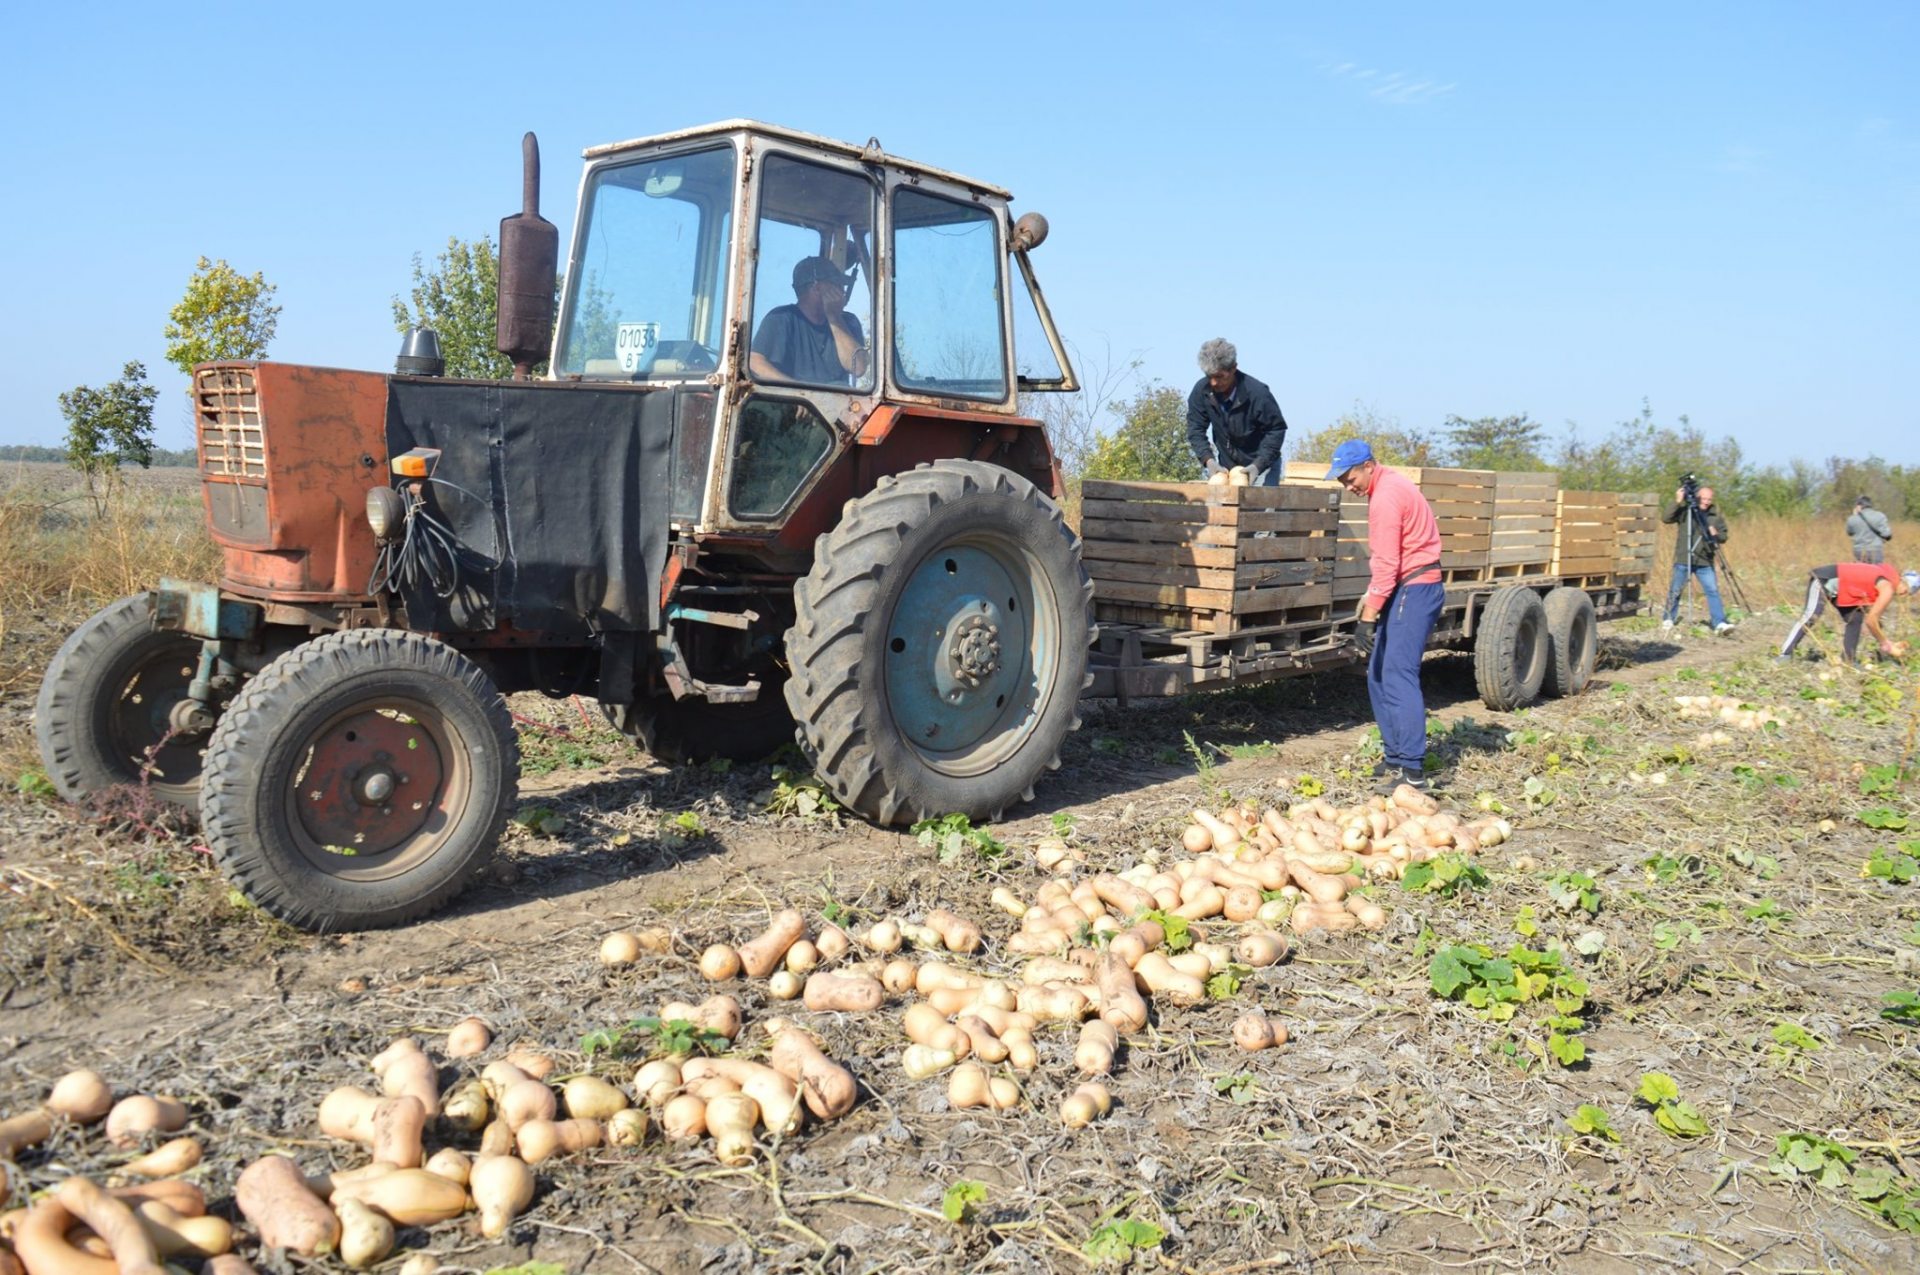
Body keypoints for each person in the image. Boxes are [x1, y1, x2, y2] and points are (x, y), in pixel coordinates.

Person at [1327, 439, 1444, 794]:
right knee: (1377, 674)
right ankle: (1395, 756)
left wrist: (1368, 618)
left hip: (1415, 587)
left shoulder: (1386, 498)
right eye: (1342, 482)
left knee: (1397, 674)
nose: (1348, 486)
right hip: (1407, 586)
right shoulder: (1389, 485)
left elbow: (1388, 565)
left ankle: (1413, 772)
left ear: (1368, 466)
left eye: (1350, 478)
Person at [749, 255, 868, 386]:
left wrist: (834, 317)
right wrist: (800, 393)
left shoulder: (848, 322)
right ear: (816, 288)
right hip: (791, 404)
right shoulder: (781, 319)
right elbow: (755, 362)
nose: (842, 291)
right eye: (837, 285)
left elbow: (859, 368)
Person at [1185, 339, 1288, 485]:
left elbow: (1276, 430)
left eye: (1219, 376)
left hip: (1261, 466)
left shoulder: (1257, 393)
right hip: (1227, 467)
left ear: (1233, 369)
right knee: (1218, 504)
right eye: (1209, 376)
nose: (1214, 382)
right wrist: (1208, 460)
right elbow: (1195, 428)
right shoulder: (1202, 391)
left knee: (1260, 505)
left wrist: (1258, 465)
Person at [1777, 561, 1911, 665]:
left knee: (1855, 618)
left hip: (1842, 589)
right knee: (1811, 615)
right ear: (1902, 581)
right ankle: (1784, 654)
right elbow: (1871, 621)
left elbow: (1873, 620)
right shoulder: (1888, 588)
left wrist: (1888, 642)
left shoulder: (1886, 580)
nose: (1906, 594)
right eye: (1908, 588)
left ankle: (1848, 660)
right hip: (1824, 580)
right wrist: (1886, 645)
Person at [1660, 484, 1733, 635]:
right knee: (1675, 590)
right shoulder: (1686, 512)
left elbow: (1724, 537)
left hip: (1705, 561)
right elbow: (1666, 518)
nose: (1706, 501)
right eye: (1704, 498)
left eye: (1709, 499)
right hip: (1683, 558)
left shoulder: (1715, 517)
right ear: (1697, 497)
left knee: (1712, 590)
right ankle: (1668, 618)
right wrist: (1678, 501)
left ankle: (1719, 622)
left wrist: (1715, 534)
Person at [1845, 495, 1893, 564]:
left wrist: (1855, 516)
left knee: (1861, 572)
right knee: (1876, 573)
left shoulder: (1852, 519)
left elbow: (1849, 532)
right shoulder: (1880, 516)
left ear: (1859, 506)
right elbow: (1887, 534)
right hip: (1875, 550)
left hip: (1859, 551)